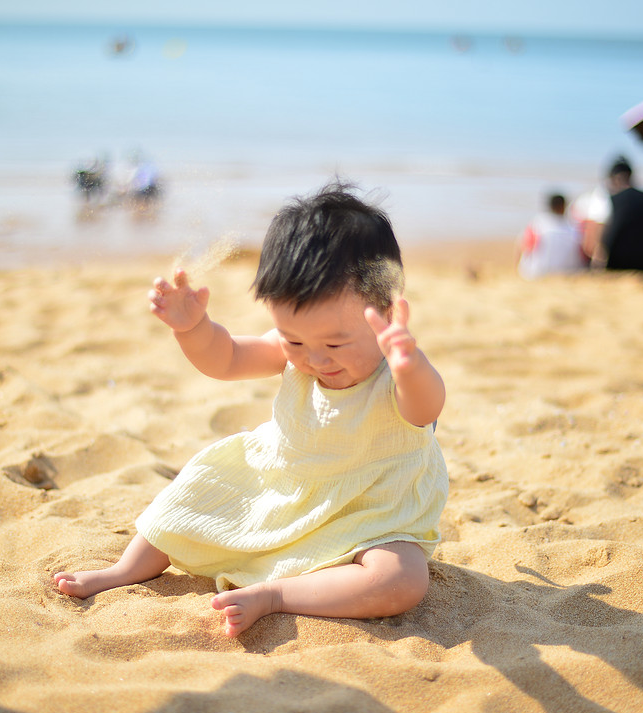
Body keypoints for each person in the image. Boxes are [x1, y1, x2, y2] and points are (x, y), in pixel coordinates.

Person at [53, 182, 449, 638]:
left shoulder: (399, 373)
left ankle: (277, 594)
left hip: (372, 508)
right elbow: (226, 359)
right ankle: (124, 570)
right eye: (296, 340)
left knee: (401, 579)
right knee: (197, 489)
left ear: (383, 309)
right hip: (284, 482)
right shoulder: (291, 347)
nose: (315, 359)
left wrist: (409, 365)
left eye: (335, 344)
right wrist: (194, 328)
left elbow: (425, 408)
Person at [517, 193, 587, 279]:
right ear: (564, 206)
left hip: (538, 272)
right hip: (569, 270)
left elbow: (524, 246)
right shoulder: (574, 226)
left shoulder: (538, 223)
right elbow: (583, 250)